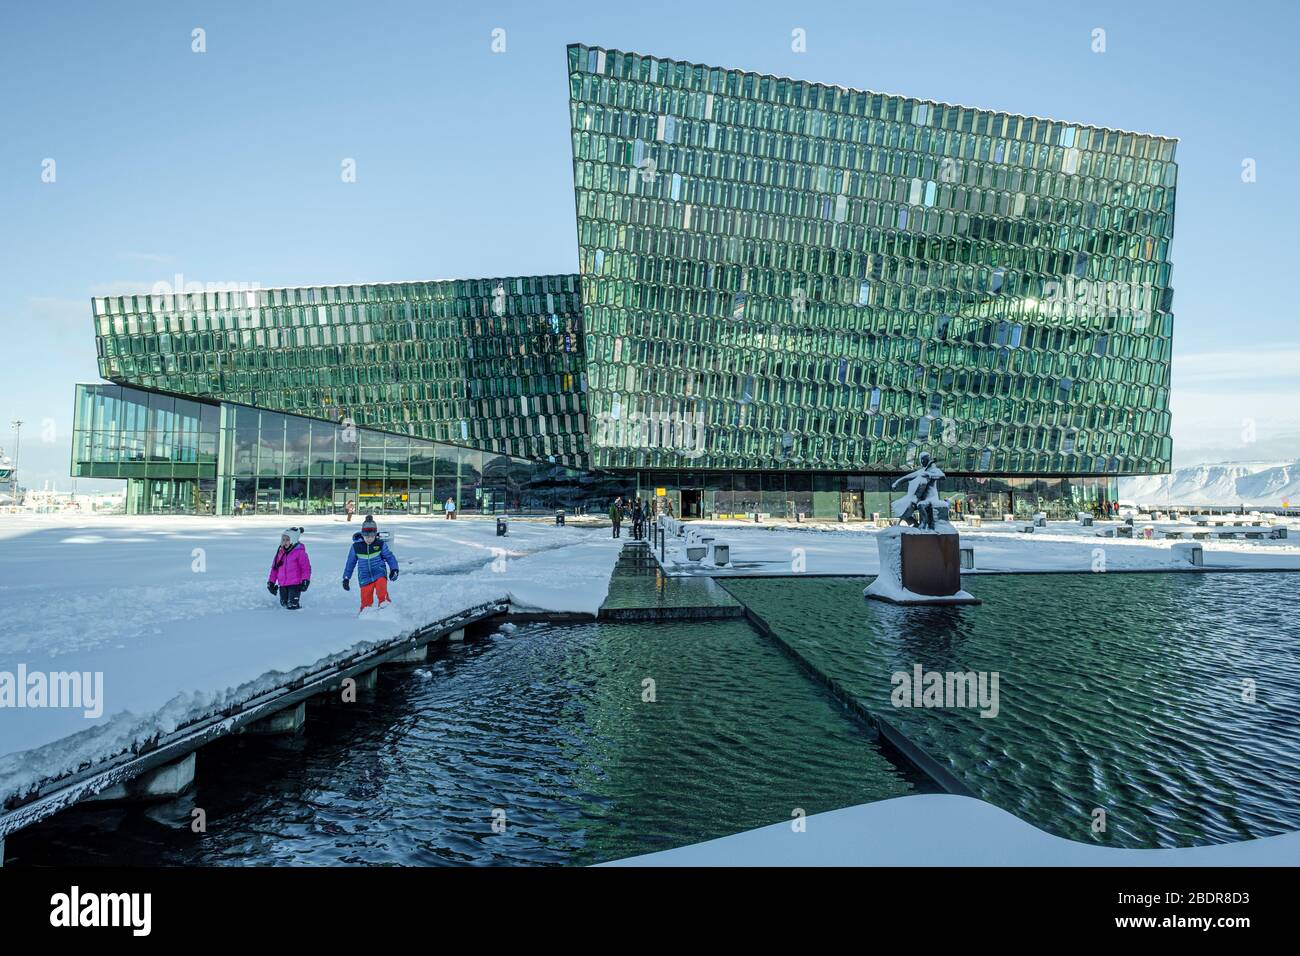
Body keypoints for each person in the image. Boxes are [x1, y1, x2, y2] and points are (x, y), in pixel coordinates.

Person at [343, 515, 399, 611]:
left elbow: (389, 557)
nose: (369, 539)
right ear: (362, 534)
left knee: (382, 591)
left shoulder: (379, 544)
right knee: (366, 600)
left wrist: (394, 569)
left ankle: (386, 609)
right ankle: (366, 615)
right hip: (364, 577)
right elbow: (350, 563)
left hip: (379, 573)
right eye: (367, 536)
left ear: (375, 535)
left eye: (372, 536)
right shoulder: (356, 547)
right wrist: (346, 578)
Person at [267, 527, 311, 610]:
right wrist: (271, 582)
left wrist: (306, 580)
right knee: (283, 604)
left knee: (292, 605)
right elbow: (274, 569)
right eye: (283, 539)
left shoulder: (299, 552)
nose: (284, 542)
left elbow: (306, 568)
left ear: (293, 540)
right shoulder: (280, 553)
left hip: (295, 584)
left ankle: (297, 617)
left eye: (287, 539)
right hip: (282, 584)